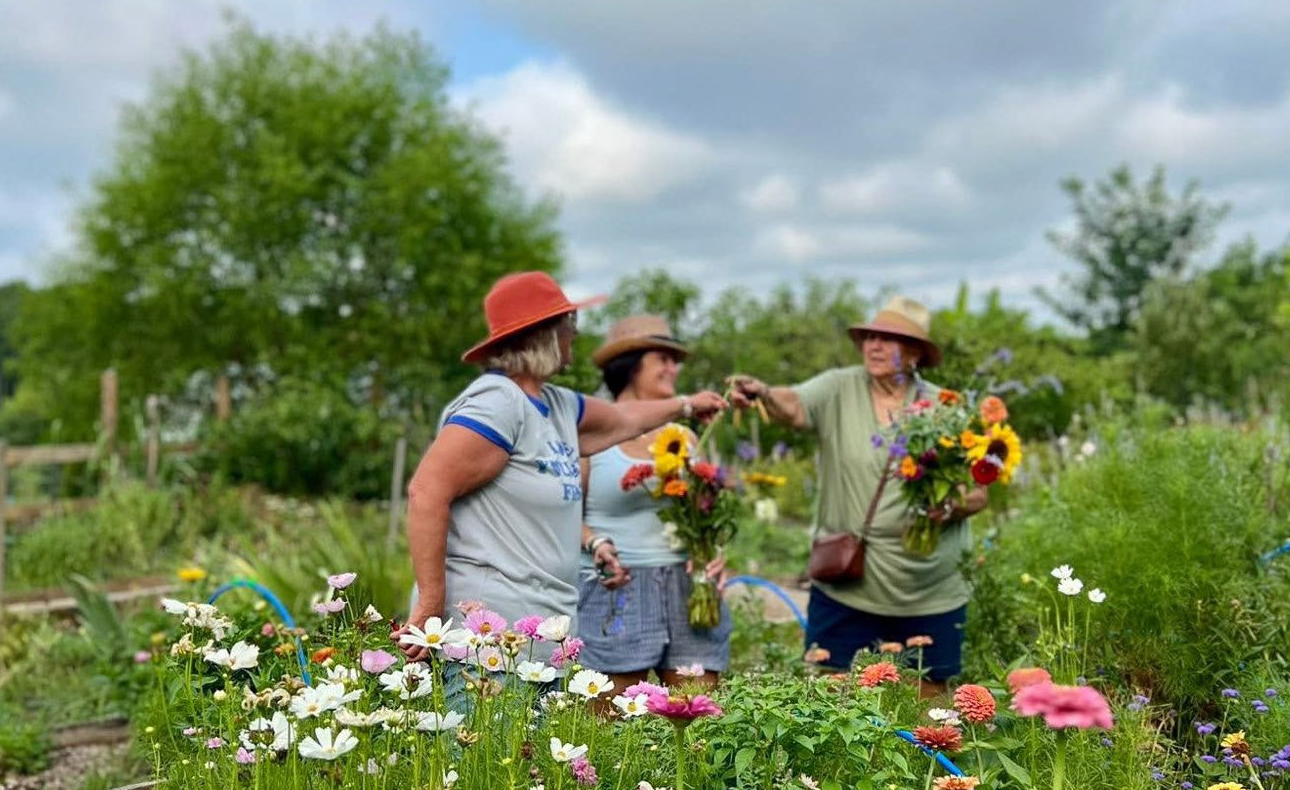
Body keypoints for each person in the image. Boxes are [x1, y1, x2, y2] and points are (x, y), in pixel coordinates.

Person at [408, 273, 725, 630]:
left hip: (542, 629)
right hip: (487, 632)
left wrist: (687, 405)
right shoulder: (497, 403)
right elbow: (427, 492)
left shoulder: (556, 404)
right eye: (568, 323)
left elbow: (622, 417)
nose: (574, 333)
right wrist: (429, 606)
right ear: (544, 334)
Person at [728, 296, 986, 679]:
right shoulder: (839, 389)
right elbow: (795, 404)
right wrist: (764, 393)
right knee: (834, 697)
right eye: (869, 337)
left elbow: (979, 492)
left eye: (888, 338)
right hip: (848, 583)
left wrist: (946, 508)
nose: (874, 346)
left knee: (928, 708)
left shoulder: (947, 408)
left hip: (929, 589)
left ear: (915, 352)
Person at [577, 314, 732, 683]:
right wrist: (595, 542)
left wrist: (712, 552)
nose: (673, 369)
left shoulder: (685, 438)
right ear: (630, 366)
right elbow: (565, 513)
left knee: (697, 717)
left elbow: (703, 513)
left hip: (686, 588)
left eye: (674, 360)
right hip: (617, 587)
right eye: (662, 359)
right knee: (612, 723)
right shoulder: (591, 435)